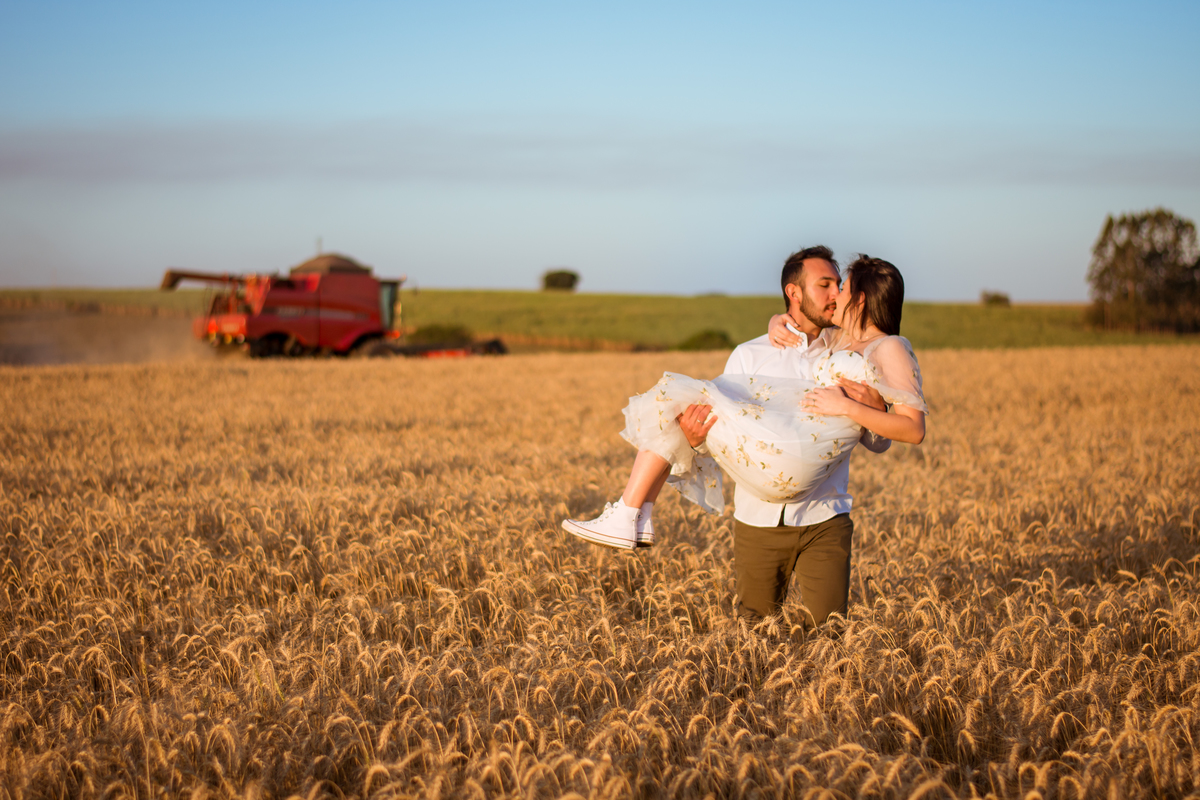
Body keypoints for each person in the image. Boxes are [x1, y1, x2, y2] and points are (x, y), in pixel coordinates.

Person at [562, 250, 926, 622]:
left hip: (824, 512)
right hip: (759, 517)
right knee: (754, 629)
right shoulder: (751, 353)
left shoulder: (839, 345)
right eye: (825, 285)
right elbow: (733, 431)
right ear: (793, 293)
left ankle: (632, 513)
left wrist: (869, 411)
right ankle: (636, 513)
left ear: (860, 298)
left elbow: (886, 432)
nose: (835, 293)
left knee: (830, 631)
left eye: (840, 285)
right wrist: (692, 438)